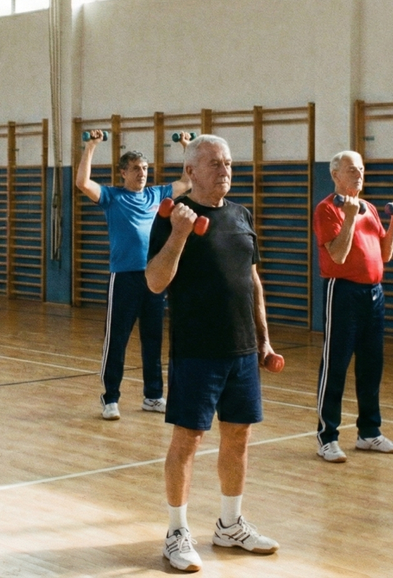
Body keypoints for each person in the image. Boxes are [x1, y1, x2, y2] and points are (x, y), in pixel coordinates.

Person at [146, 134, 279, 572]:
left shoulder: (241, 214)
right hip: (196, 349)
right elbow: (156, 281)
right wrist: (181, 233)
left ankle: (229, 524)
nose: (225, 170)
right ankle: (177, 532)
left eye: (228, 163)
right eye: (214, 164)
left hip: (242, 350)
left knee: (239, 437)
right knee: (187, 441)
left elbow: (253, 281)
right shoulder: (171, 218)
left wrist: (263, 339)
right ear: (190, 172)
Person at [76, 129, 191, 421]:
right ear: (123, 173)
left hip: (153, 277)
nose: (142, 173)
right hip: (124, 278)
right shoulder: (112, 197)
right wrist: (90, 146)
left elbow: (188, 182)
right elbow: (82, 182)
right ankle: (110, 398)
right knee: (117, 339)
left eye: (145, 169)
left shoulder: (157, 193)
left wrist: (187, 148)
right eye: (136, 169)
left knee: (153, 339)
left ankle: (153, 396)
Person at [314, 150, 393, 462]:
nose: (358, 175)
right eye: (352, 170)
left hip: (374, 294)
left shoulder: (369, 208)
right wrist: (350, 217)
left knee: (371, 366)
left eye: (361, 170)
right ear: (335, 175)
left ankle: (369, 433)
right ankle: (326, 437)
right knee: (336, 365)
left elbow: (385, 255)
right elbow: (338, 256)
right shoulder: (327, 209)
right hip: (342, 292)